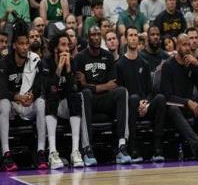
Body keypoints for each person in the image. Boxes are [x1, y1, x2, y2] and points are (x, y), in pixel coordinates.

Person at [75, 25, 131, 165]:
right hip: (89, 101)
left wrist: (90, 85)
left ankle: (122, 145)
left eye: (98, 35)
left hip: (105, 99)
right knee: (84, 94)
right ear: (88, 38)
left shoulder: (108, 56)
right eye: (93, 35)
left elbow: (113, 85)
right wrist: (99, 87)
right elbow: (80, 87)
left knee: (122, 91)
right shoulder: (80, 57)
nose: (96, 38)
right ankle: (87, 148)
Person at [160, 33, 198, 161]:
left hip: (190, 106)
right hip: (175, 107)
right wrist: (187, 102)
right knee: (173, 109)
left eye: (188, 45)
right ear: (177, 47)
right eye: (184, 45)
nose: (187, 48)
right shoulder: (168, 66)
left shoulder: (192, 64)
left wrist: (197, 65)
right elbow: (167, 97)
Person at [0, 19, 47, 171]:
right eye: (21, 44)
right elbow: (2, 89)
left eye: (27, 43)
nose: (25, 47)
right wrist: (17, 97)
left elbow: (40, 86)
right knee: (3, 103)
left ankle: (41, 151)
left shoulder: (34, 60)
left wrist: (33, 96)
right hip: (13, 105)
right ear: (14, 45)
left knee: (41, 102)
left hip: (27, 104)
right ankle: (6, 153)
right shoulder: (4, 62)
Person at [117, 27, 166, 163]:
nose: (133, 38)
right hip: (130, 107)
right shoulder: (120, 64)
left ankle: (157, 147)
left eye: (135, 35)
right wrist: (138, 103)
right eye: (131, 35)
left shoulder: (144, 63)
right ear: (126, 39)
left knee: (160, 98)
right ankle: (133, 147)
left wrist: (146, 103)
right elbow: (120, 91)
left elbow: (150, 90)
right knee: (133, 99)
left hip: (145, 106)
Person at [42, 32, 88, 169]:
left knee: (76, 97)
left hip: (66, 106)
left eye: (68, 45)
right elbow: (48, 88)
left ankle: (75, 151)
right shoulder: (46, 62)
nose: (67, 48)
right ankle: (52, 152)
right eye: (63, 45)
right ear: (55, 49)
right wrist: (59, 69)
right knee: (52, 96)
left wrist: (68, 70)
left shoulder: (72, 62)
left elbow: (73, 89)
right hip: (49, 106)